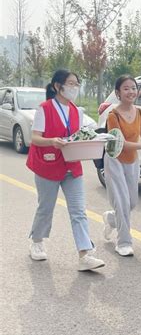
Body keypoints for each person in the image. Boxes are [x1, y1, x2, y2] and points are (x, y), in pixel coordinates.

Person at [27, 69, 105, 271]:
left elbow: (77, 136)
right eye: (70, 84)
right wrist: (52, 141)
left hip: (72, 165)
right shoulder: (44, 109)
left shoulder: (76, 111)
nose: (74, 88)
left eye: (76, 84)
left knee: (78, 211)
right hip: (48, 166)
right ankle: (37, 241)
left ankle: (84, 254)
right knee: (46, 208)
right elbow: (35, 138)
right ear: (57, 86)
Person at [102, 75, 141, 256]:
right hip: (115, 160)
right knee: (122, 203)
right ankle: (123, 242)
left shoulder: (139, 112)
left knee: (131, 202)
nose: (131, 92)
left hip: (132, 161)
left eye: (133, 88)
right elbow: (121, 144)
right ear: (118, 93)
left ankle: (111, 219)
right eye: (126, 88)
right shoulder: (113, 115)